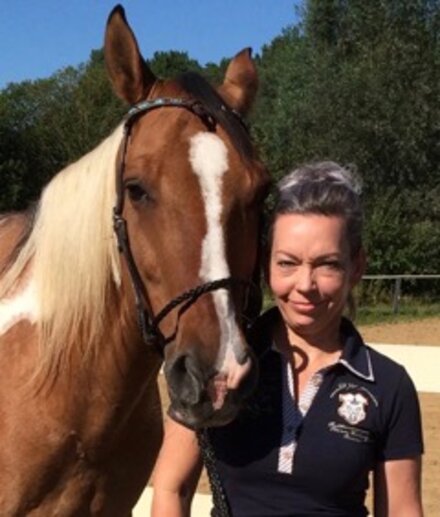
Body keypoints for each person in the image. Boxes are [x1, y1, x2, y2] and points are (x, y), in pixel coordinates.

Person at [151, 161, 424, 517]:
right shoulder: (220, 363)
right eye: (287, 263)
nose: (305, 285)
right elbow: (173, 488)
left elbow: (403, 511)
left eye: (327, 264)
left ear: (356, 267)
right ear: (265, 265)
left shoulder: (387, 385)